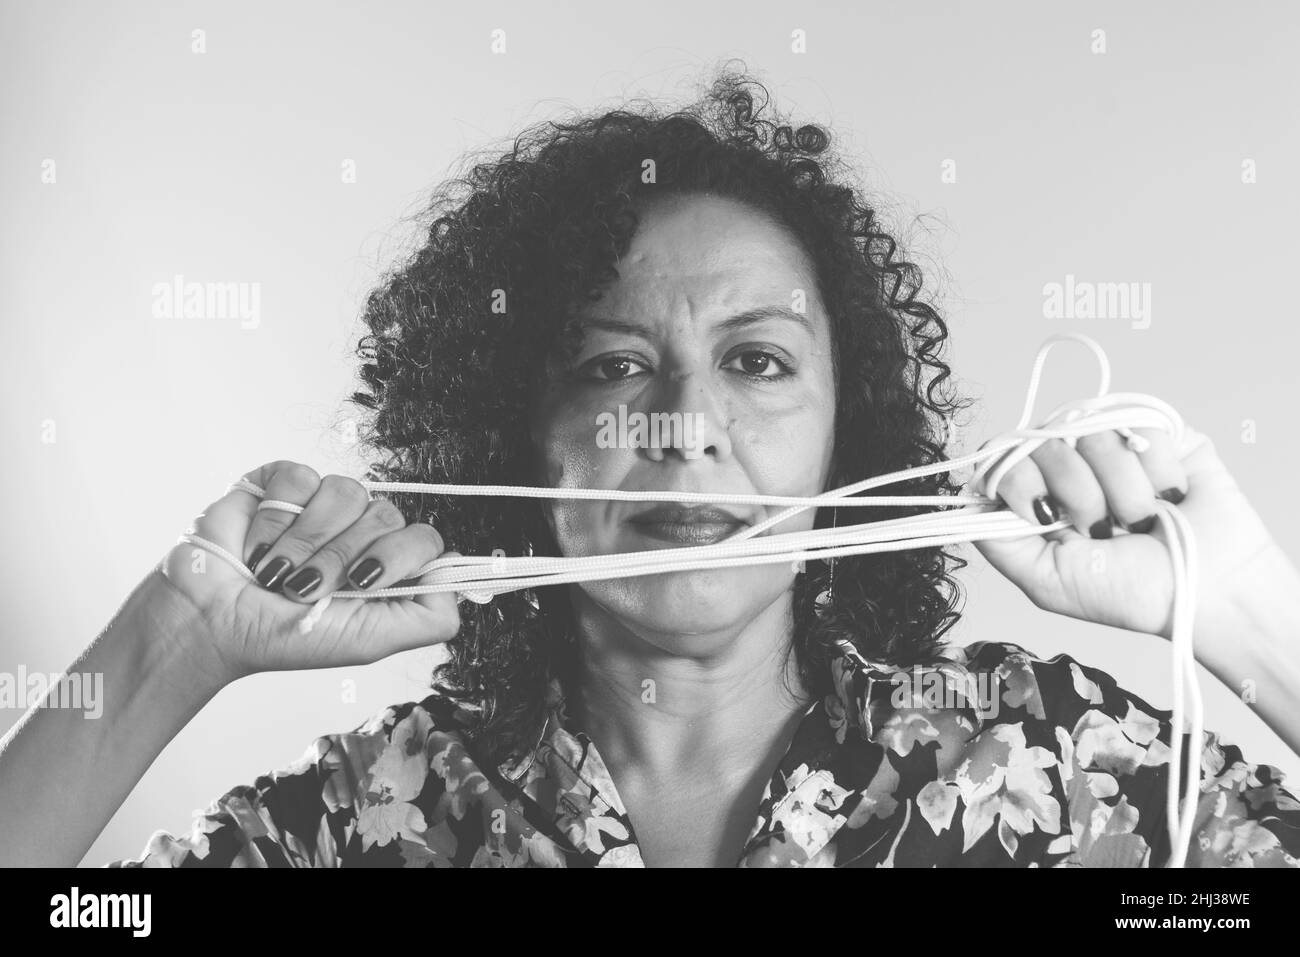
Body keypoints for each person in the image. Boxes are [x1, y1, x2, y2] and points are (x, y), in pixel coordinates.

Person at [2, 67, 1298, 868]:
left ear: (851, 434)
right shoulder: (355, 823)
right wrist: (173, 640)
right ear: (518, 434)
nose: (683, 423)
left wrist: (1247, 613)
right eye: (616, 364)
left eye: (760, 362)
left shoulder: (1057, 768)